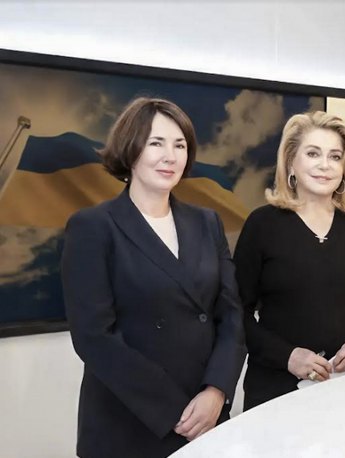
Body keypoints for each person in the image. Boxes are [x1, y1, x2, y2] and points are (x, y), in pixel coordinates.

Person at [61, 97, 247, 458]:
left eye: (180, 145)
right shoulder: (94, 227)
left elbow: (231, 315)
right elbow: (94, 336)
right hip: (131, 422)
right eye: (156, 143)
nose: (170, 156)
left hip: (206, 416)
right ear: (131, 150)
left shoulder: (207, 222)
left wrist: (217, 390)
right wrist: (172, 408)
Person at [233, 111, 345, 410]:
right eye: (313, 153)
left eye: (335, 156)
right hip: (276, 391)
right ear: (291, 161)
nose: (325, 165)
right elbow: (235, 313)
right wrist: (287, 356)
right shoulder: (262, 225)